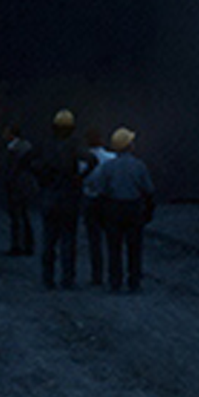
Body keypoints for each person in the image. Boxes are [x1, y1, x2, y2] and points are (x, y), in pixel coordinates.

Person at [83, 126, 156, 293]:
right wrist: (148, 212)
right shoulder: (139, 166)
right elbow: (149, 190)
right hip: (133, 209)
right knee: (134, 248)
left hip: (113, 209)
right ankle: (134, 281)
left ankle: (115, 281)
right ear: (129, 146)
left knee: (114, 248)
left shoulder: (108, 167)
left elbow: (100, 190)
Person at [39, 108, 90, 290]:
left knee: (48, 241)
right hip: (69, 198)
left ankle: (47, 278)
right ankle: (67, 279)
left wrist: (43, 183)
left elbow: (34, 164)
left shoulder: (47, 145)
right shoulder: (74, 145)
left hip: (50, 197)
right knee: (68, 241)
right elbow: (92, 160)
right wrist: (80, 177)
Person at [81, 128, 116, 285]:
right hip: (107, 200)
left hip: (89, 199)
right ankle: (114, 274)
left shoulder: (82, 160)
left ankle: (97, 275)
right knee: (112, 239)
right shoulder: (111, 158)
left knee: (94, 240)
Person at [3, 125, 37, 256]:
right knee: (23, 216)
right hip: (24, 185)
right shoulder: (25, 147)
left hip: (18, 186)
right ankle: (26, 244)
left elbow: (12, 169)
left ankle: (18, 245)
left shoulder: (15, 149)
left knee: (18, 217)